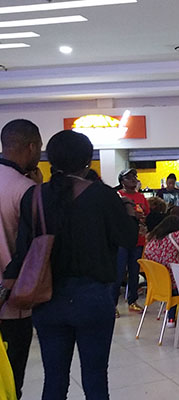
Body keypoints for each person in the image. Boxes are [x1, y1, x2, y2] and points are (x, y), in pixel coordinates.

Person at [2, 130, 138, 399]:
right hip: (93, 298)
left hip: (47, 299)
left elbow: (23, 250)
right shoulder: (103, 196)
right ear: (87, 160)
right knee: (95, 377)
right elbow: (127, 238)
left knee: (54, 377)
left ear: (51, 159)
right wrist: (130, 214)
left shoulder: (35, 196)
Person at [0, 119, 42, 399]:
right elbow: (32, 247)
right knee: (11, 381)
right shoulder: (25, 189)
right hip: (11, 303)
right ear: (31, 146)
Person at [113, 168, 149, 316]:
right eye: (129, 177)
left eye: (135, 176)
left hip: (138, 239)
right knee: (119, 272)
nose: (133, 179)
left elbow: (146, 215)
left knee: (134, 272)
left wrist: (142, 219)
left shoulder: (141, 197)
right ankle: (113, 304)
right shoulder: (117, 195)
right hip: (122, 239)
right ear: (122, 181)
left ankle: (132, 301)